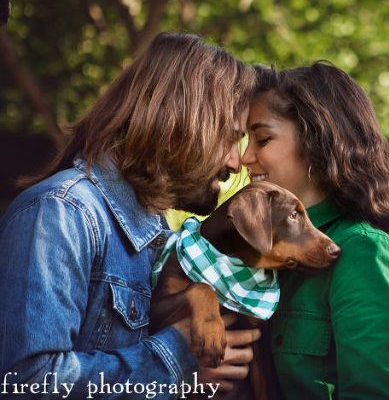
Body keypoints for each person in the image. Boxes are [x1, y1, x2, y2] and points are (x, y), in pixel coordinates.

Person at [0, 32, 261, 398]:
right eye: (229, 139)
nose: (236, 162)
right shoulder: (62, 213)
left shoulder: (160, 233)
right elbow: (27, 382)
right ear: (180, 121)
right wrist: (177, 359)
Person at [241, 61, 389, 399]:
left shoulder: (362, 252)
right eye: (245, 139)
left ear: (317, 138)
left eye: (262, 138)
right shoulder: (252, 249)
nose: (245, 157)